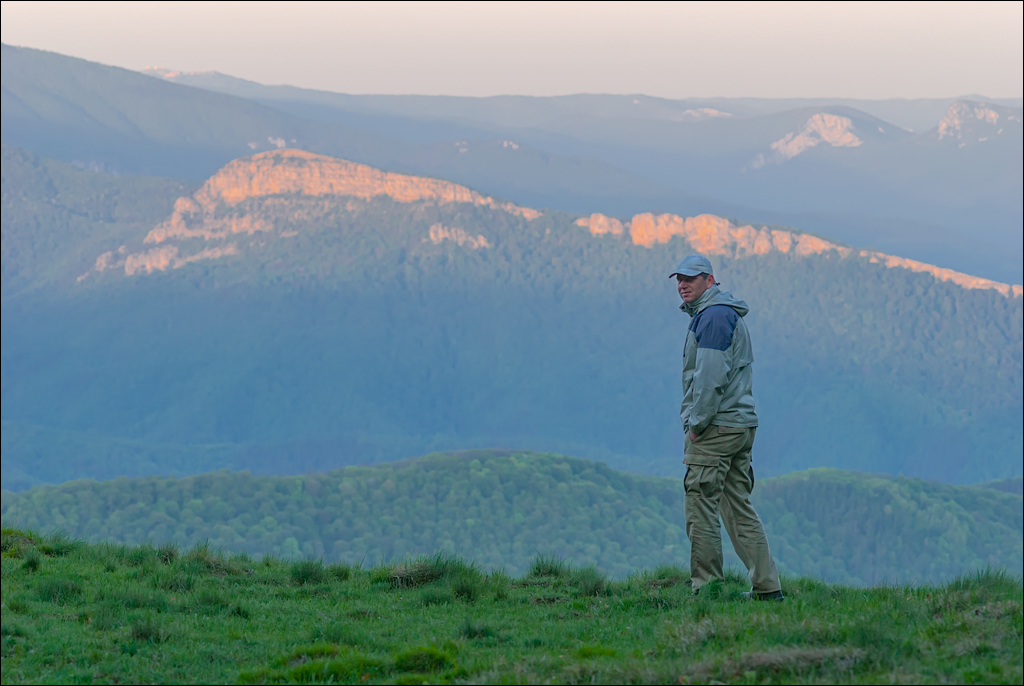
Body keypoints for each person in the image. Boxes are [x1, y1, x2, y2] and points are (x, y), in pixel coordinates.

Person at [670, 254, 783, 601]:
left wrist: (695, 424)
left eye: (691, 278)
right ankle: (767, 589)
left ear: (710, 279)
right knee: (737, 506)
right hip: (740, 425)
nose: (683, 285)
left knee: (701, 506)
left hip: (716, 428)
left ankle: (707, 589)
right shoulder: (723, 313)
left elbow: (709, 379)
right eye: (679, 279)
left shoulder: (714, 318)